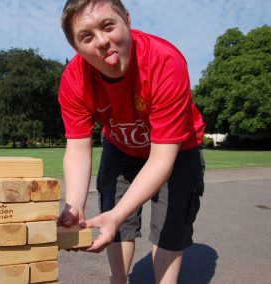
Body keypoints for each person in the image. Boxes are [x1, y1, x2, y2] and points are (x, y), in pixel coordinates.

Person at [57, 0, 206, 283]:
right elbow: (77, 148)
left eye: (108, 25)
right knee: (115, 216)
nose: (102, 41)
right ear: (76, 48)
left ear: (127, 19)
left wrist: (117, 214)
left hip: (178, 146)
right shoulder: (74, 80)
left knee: (170, 224)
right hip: (120, 145)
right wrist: (74, 206)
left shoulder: (165, 60)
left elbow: (162, 157)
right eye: (86, 37)